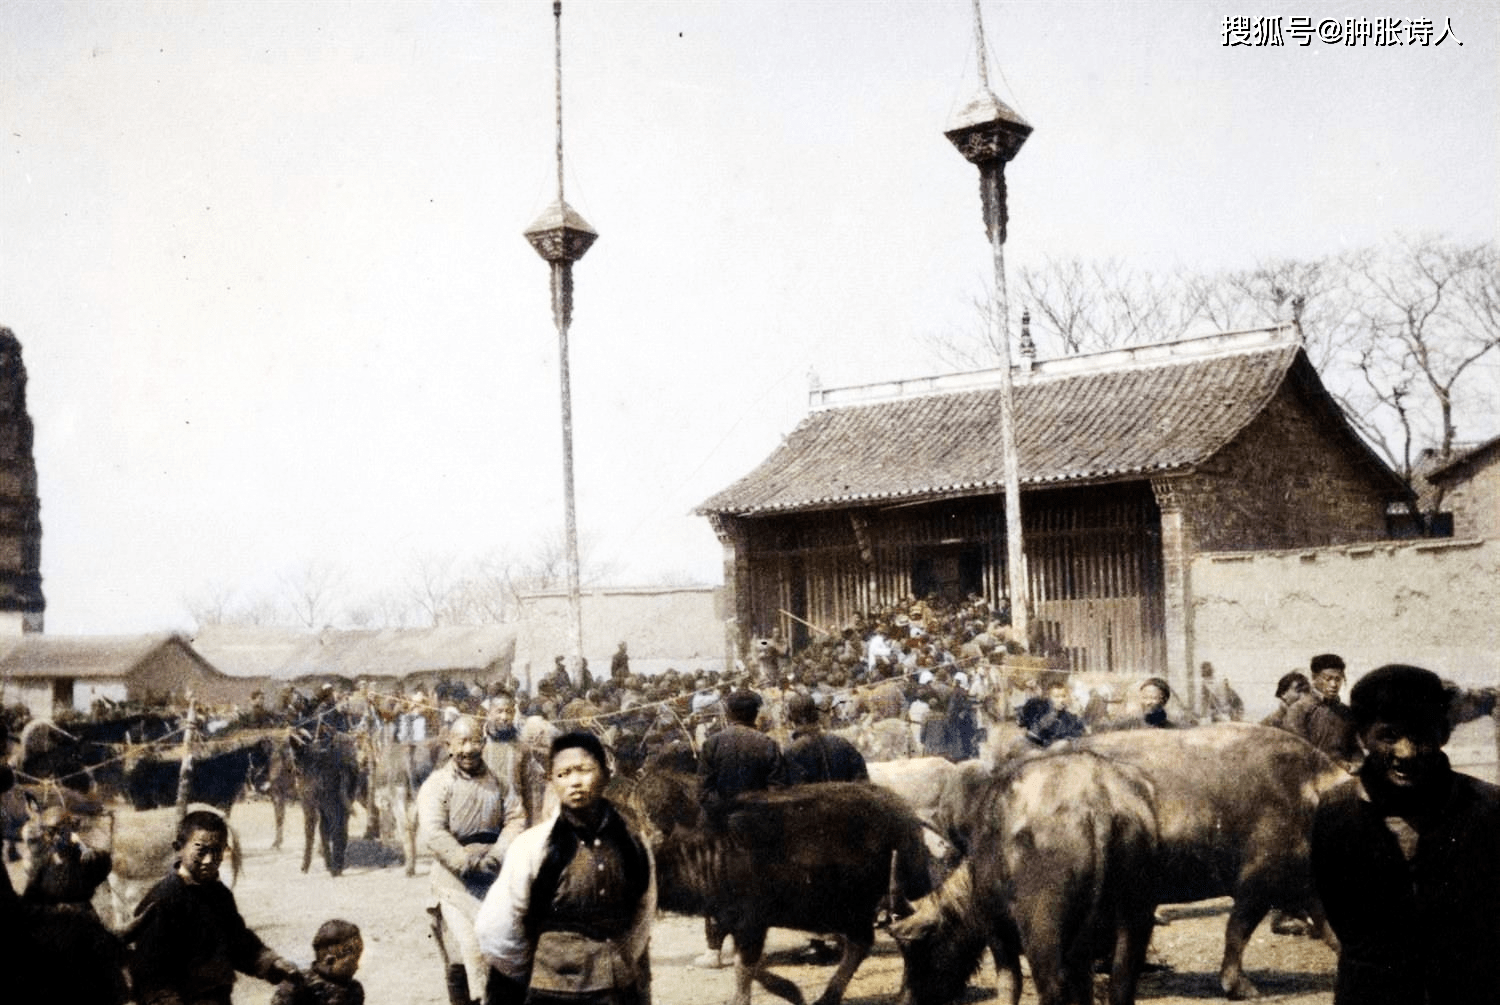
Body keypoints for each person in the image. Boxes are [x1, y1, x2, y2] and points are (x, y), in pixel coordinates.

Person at [1311, 664, 1500, 1004]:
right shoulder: (1336, 814)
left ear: (1442, 734)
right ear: (1362, 736)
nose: (1406, 752)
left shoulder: (1487, 809)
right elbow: (1341, 918)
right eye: (1388, 735)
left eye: (1421, 735)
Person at [476, 731, 654, 1005]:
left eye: (584, 770)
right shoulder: (532, 846)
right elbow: (498, 929)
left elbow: (642, 914)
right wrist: (537, 970)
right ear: (551, 782)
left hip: (617, 990)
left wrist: (617, 962)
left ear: (606, 774)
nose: (575, 782)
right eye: (563, 774)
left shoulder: (632, 843)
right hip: (553, 991)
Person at [128, 809, 302, 1005]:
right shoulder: (161, 902)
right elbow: (150, 979)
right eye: (201, 851)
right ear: (178, 847)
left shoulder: (220, 895)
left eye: (217, 850)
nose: (210, 860)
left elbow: (239, 943)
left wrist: (273, 964)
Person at [418, 715, 528, 1005]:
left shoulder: (499, 783)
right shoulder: (437, 784)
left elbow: (515, 818)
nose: (469, 749)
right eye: (462, 742)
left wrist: (498, 853)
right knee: (468, 949)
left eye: (475, 740)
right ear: (450, 745)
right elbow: (433, 831)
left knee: (504, 951)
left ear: (484, 742)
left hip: (494, 879)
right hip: (454, 883)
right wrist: (463, 861)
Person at [694, 688, 786, 968]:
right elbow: (778, 792)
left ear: (728, 714)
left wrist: (725, 811)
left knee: (716, 886)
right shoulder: (768, 744)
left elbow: (703, 791)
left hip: (719, 827)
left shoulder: (712, 744)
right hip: (756, 829)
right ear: (755, 715)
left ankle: (713, 951)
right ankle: (750, 950)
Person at [1285, 654, 1360, 770]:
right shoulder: (1298, 710)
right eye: (1328, 679)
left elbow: (1354, 747)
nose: (1334, 685)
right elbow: (1298, 750)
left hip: (1344, 775)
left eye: (1338, 679)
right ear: (1314, 678)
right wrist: (1336, 763)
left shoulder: (1345, 712)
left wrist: (1357, 764)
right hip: (1309, 776)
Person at [271, 919, 364, 1005]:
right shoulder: (300, 984)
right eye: (352, 962)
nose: (357, 967)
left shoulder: (354, 989)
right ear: (330, 959)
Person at [782, 692, 868, 785]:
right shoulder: (842, 742)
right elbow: (862, 780)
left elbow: (797, 792)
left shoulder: (792, 752)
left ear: (792, 719)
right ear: (817, 715)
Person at [1017, 680, 1086, 747]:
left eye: (1063, 696)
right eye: (1056, 697)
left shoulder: (1070, 717)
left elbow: (1079, 733)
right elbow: (1032, 736)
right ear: (1048, 698)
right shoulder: (1040, 714)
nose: (1061, 700)